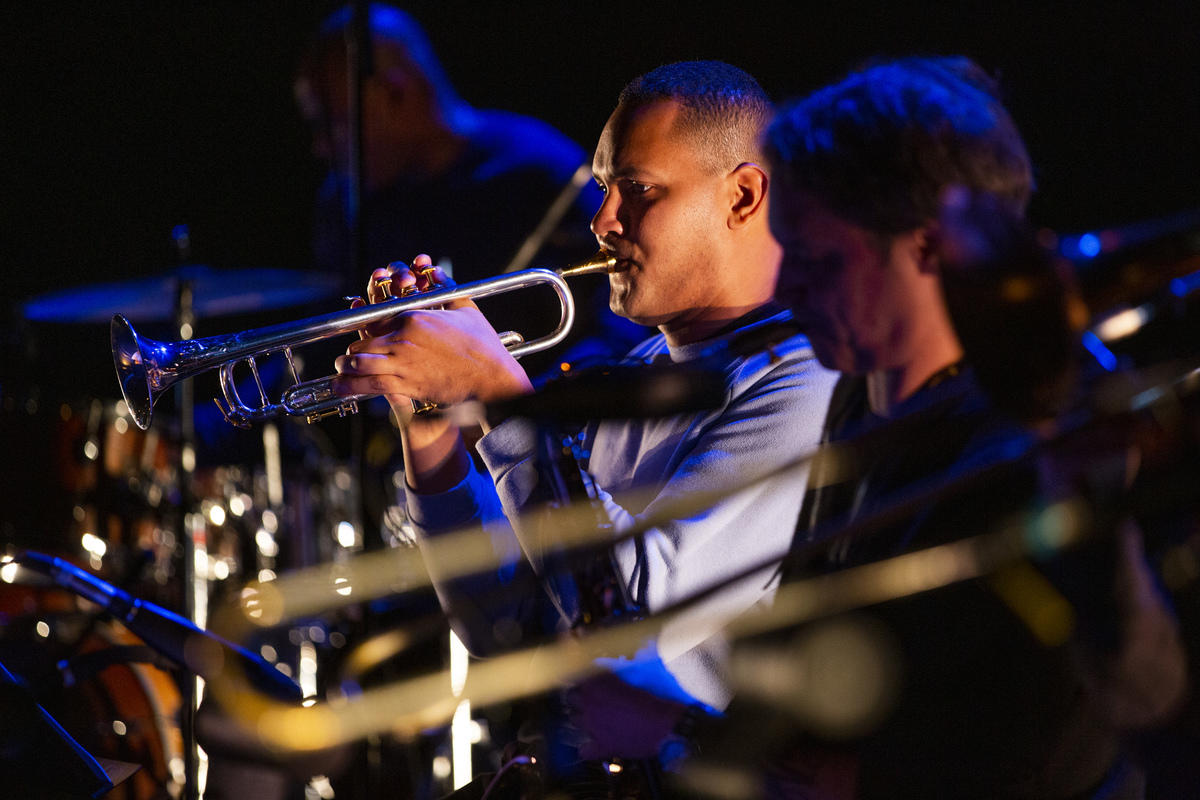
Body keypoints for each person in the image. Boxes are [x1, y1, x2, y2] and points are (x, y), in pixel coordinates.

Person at [568, 56, 1187, 799]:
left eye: (819, 255)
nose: (790, 285)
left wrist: (671, 731)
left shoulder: (1026, 443)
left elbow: (988, 763)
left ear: (933, 244)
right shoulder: (864, 415)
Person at [333, 59, 838, 725]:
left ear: (742, 197)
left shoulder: (804, 380)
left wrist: (497, 392)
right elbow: (509, 624)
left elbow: (634, 608)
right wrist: (429, 427)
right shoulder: (635, 372)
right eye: (604, 188)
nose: (602, 220)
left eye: (638, 189)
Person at [295, 3, 645, 379]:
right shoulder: (345, 201)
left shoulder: (539, 172)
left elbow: (621, 325)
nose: (320, 147)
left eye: (332, 124)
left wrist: (516, 403)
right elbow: (323, 339)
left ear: (395, 95)